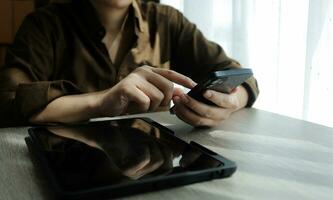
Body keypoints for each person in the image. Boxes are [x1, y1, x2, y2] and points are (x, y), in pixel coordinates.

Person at [0, 0, 259, 127]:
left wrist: (230, 102)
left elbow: (241, 76)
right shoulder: (44, 26)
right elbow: (7, 101)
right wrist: (101, 101)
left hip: (154, 163)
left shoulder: (167, 21)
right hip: (72, 164)